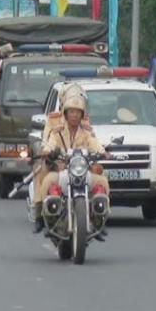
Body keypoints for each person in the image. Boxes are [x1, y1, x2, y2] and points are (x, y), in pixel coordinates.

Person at [34, 91, 111, 235]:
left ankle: (99, 218)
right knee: (47, 180)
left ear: (82, 115)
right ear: (65, 113)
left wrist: (103, 152)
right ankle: (45, 217)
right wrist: (47, 151)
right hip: (62, 170)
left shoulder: (86, 132)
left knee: (102, 181)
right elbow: (50, 145)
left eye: (77, 112)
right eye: (71, 112)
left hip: (81, 170)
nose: (74, 115)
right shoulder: (57, 132)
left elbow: (95, 144)